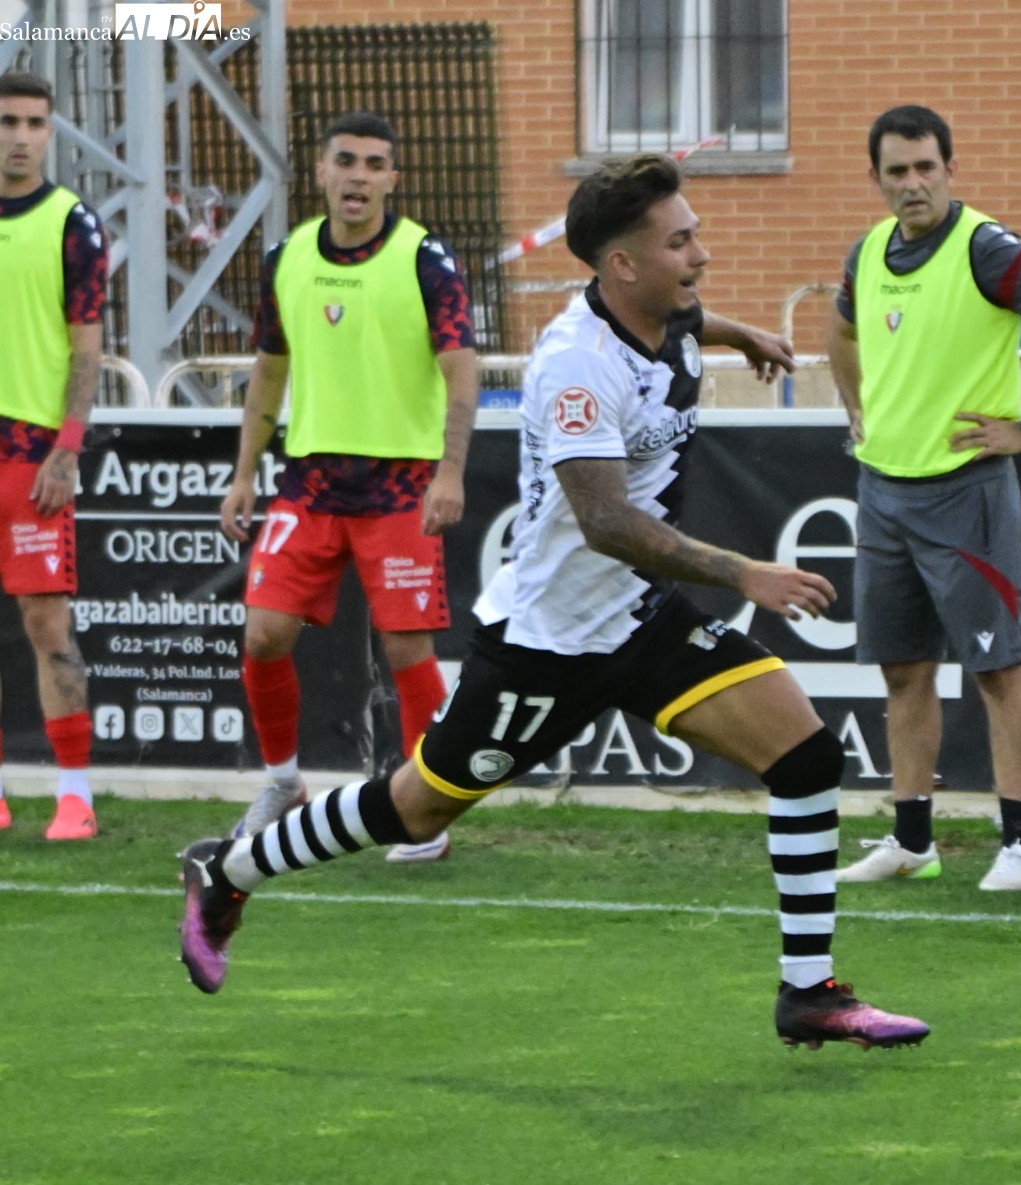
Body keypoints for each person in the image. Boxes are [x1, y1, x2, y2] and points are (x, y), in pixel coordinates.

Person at [179, 153, 929, 1050]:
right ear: (623, 264)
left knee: (805, 759)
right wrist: (743, 574)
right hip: (548, 645)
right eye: (680, 242)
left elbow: (690, 322)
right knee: (417, 806)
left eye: (695, 236)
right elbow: (607, 522)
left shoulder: (666, 310)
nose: (701, 255)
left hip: (641, 620)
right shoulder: (575, 365)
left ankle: (809, 994)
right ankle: (228, 870)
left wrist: (745, 337)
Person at [826, 105, 1021, 890]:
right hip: (883, 490)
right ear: (876, 178)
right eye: (897, 171)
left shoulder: (987, 248)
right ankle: (912, 840)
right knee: (903, 672)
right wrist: (856, 409)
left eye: (926, 167)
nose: (913, 183)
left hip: (966, 492)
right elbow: (840, 334)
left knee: (997, 669)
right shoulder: (869, 252)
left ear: (950, 169)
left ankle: (1019, 845)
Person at [220, 112, 478, 863]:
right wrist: (243, 473)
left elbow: (461, 368)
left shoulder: (425, 258)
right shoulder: (287, 257)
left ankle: (428, 812)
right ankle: (282, 784)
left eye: (373, 164)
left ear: (392, 178)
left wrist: (450, 471)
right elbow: (269, 368)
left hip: (400, 484)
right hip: (310, 483)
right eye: (345, 161)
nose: (358, 176)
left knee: (405, 646)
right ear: (321, 171)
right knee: (263, 634)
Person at [0, 72, 107, 841]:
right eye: (7, 121)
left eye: (35, 123)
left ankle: (75, 795)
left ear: (50, 131)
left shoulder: (73, 222)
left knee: (47, 624)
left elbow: (87, 344)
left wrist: (67, 447)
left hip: (31, 452)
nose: (20, 136)